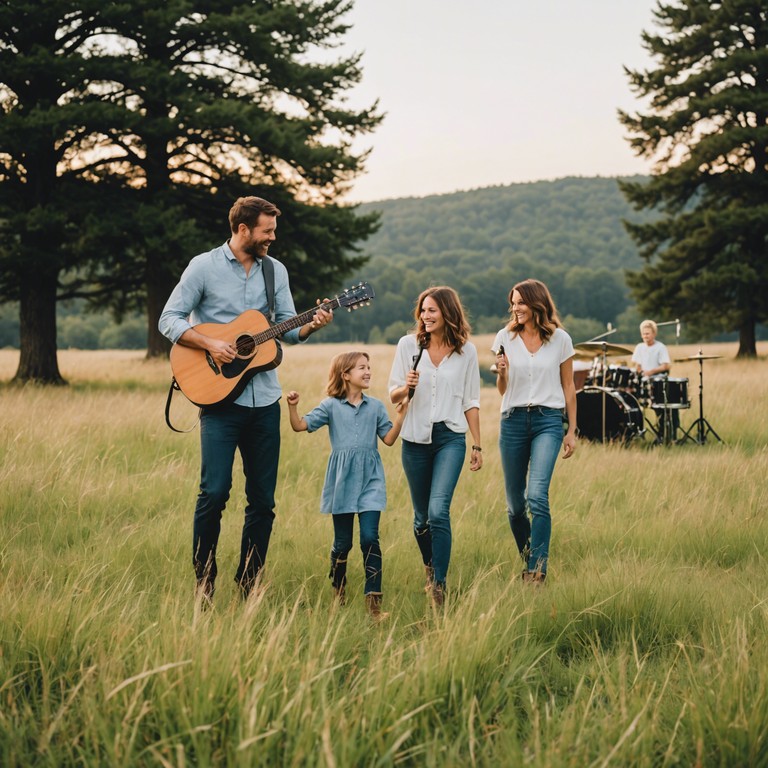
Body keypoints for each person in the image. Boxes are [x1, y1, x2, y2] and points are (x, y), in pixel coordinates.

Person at [158, 196, 333, 606]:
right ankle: (204, 581)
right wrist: (211, 343)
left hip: (265, 402)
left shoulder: (276, 271)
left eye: (274, 230)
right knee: (214, 492)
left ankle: (249, 582)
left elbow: (287, 329)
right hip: (219, 402)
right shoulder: (203, 267)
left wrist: (311, 325)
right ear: (242, 230)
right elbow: (170, 318)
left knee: (263, 502)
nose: (273, 237)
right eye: (267, 230)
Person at [286, 351, 407, 620]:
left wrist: (402, 415)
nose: (368, 372)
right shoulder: (330, 406)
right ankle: (338, 590)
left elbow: (387, 439)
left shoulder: (375, 406)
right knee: (342, 544)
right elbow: (299, 426)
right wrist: (293, 406)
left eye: (369, 367)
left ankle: (374, 605)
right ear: (345, 375)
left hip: (371, 481)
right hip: (341, 481)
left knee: (369, 538)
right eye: (361, 368)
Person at [388, 286, 482, 606]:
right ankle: (430, 568)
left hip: (450, 438)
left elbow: (471, 400)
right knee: (421, 519)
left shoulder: (466, 351)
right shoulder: (408, 346)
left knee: (438, 511)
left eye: (432, 311)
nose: (425, 316)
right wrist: (406, 387)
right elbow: (393, 395)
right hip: (414, 439)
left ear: (448, 312)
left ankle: (439, 584)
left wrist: (478, 445)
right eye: (423, 311)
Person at [492, 278, 577, 584]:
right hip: (512, 420)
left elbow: (569, 386)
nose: (515, 308)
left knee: (537, 496)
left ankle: (537, 571)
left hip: (548, 421)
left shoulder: (561, 339)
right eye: (512, 303)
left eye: (521, 303)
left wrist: (572, 430)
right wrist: (502, 373)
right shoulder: (505, 337)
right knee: (515, 507)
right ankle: (530, 558)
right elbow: (502, 389)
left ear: (537, 303)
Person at [631, 319, 676, 442]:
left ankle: (662, 434)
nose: (645, 336)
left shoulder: (660, 347)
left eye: (648, 333)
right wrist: (638, 371)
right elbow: (637, 365)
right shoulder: (639, 347)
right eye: (644, 333)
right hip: (643, 382)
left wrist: (651, 372)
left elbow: (666, 365)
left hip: (657, 382)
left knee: (660, 408)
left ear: (654, 334)